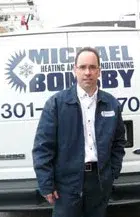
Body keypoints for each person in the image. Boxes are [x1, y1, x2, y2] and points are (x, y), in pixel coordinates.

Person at [32, 47, 126, 217]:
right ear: (74, 70)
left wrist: (112, 172)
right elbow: (42, 147)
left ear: (99, 71)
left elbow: (119, 142)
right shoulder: (56, 104)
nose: (87, 72)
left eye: (92, 67)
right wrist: (46, 184)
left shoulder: (111, 104)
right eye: (82, 67)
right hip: (66, 184)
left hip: (99, 181)